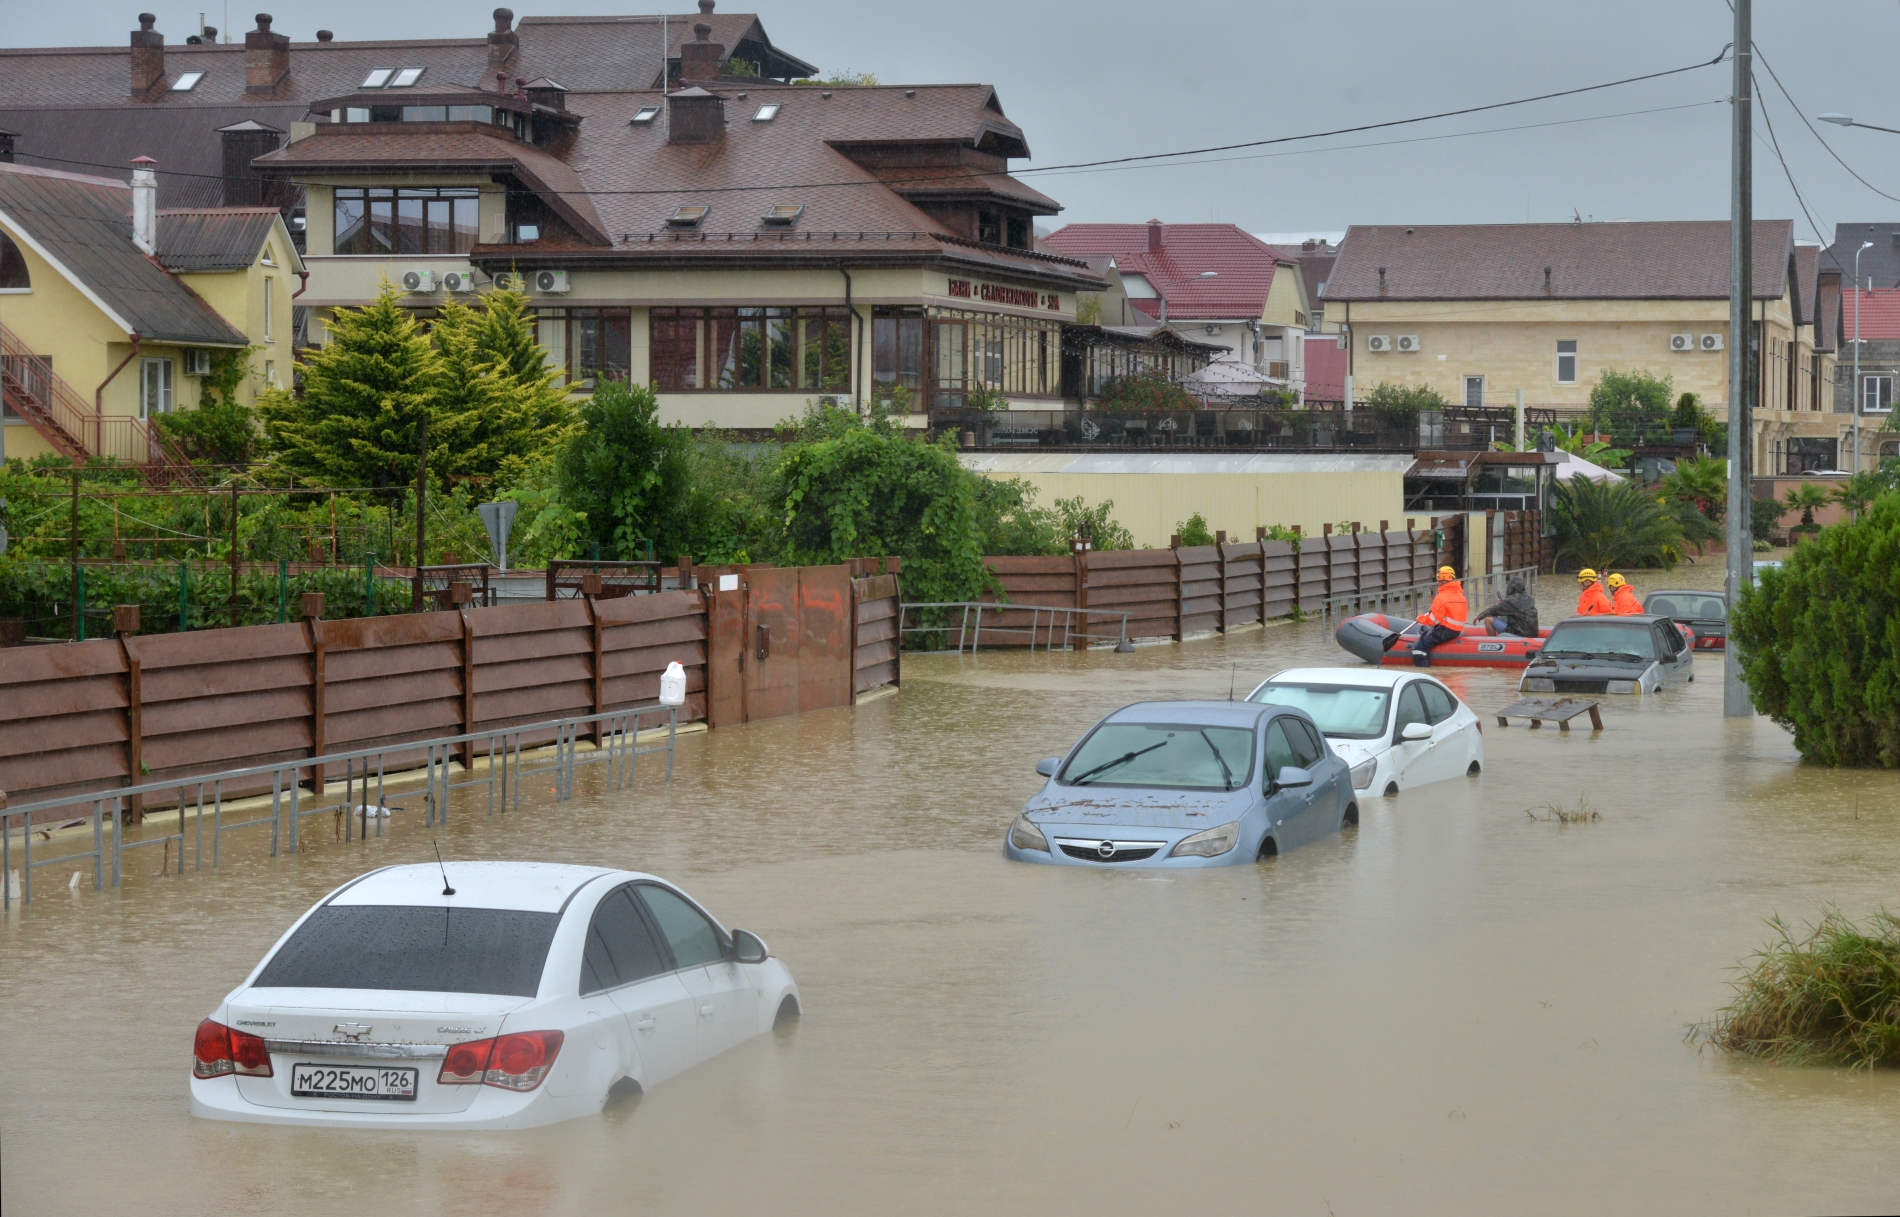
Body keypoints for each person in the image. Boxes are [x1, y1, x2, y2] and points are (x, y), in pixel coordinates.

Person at [1410, 566, 1469, 667]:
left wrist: (1420, 618)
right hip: (1456, 630)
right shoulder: (1460, 595)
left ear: (1441, 581)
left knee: (1419, 647)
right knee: (1424, 630)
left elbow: (1434, 620)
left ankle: (1424, 673)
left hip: (1446, 631)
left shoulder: (1441, 597)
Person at [1474, 576, 1539, 637]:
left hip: (1519, 633)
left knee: (1487, 619)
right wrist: (1504, 604)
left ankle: (1494, 644)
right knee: (1500, 617)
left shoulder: (1511, 601)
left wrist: (1480, 616)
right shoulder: (1530, 598)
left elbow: (1494, 610)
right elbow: (1518, 611)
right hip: (1533, 633)